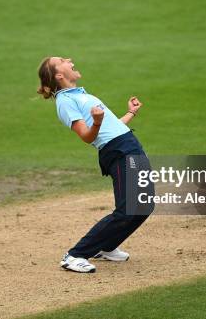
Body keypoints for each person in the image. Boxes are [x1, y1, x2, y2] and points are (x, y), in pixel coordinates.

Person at [37, 56, 154, 273]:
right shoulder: (65, 102)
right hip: (118, 151)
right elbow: (87, 136)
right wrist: (97, 121)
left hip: (128, 144)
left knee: (143, 205)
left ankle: (106, 247)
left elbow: (111, 127)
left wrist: (130, 113)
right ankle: (74, 255)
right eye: (62, 60)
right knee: (128, 210)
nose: (69, 59)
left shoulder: (81, 95)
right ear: (59, 75)